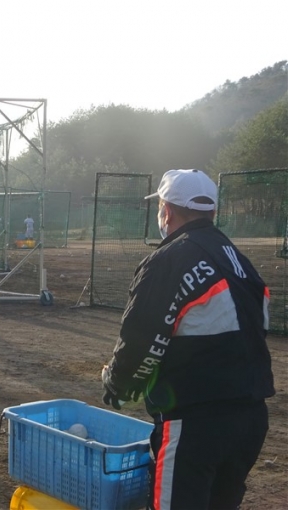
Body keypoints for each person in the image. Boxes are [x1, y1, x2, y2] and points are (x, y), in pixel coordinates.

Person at [101, 169, 274, 510]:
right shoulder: (238, 259)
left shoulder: (168, 260)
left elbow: (141, 338)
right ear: (212, 212)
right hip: (251, 417)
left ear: (166, 211)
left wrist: (117, 383)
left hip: (196, 422)